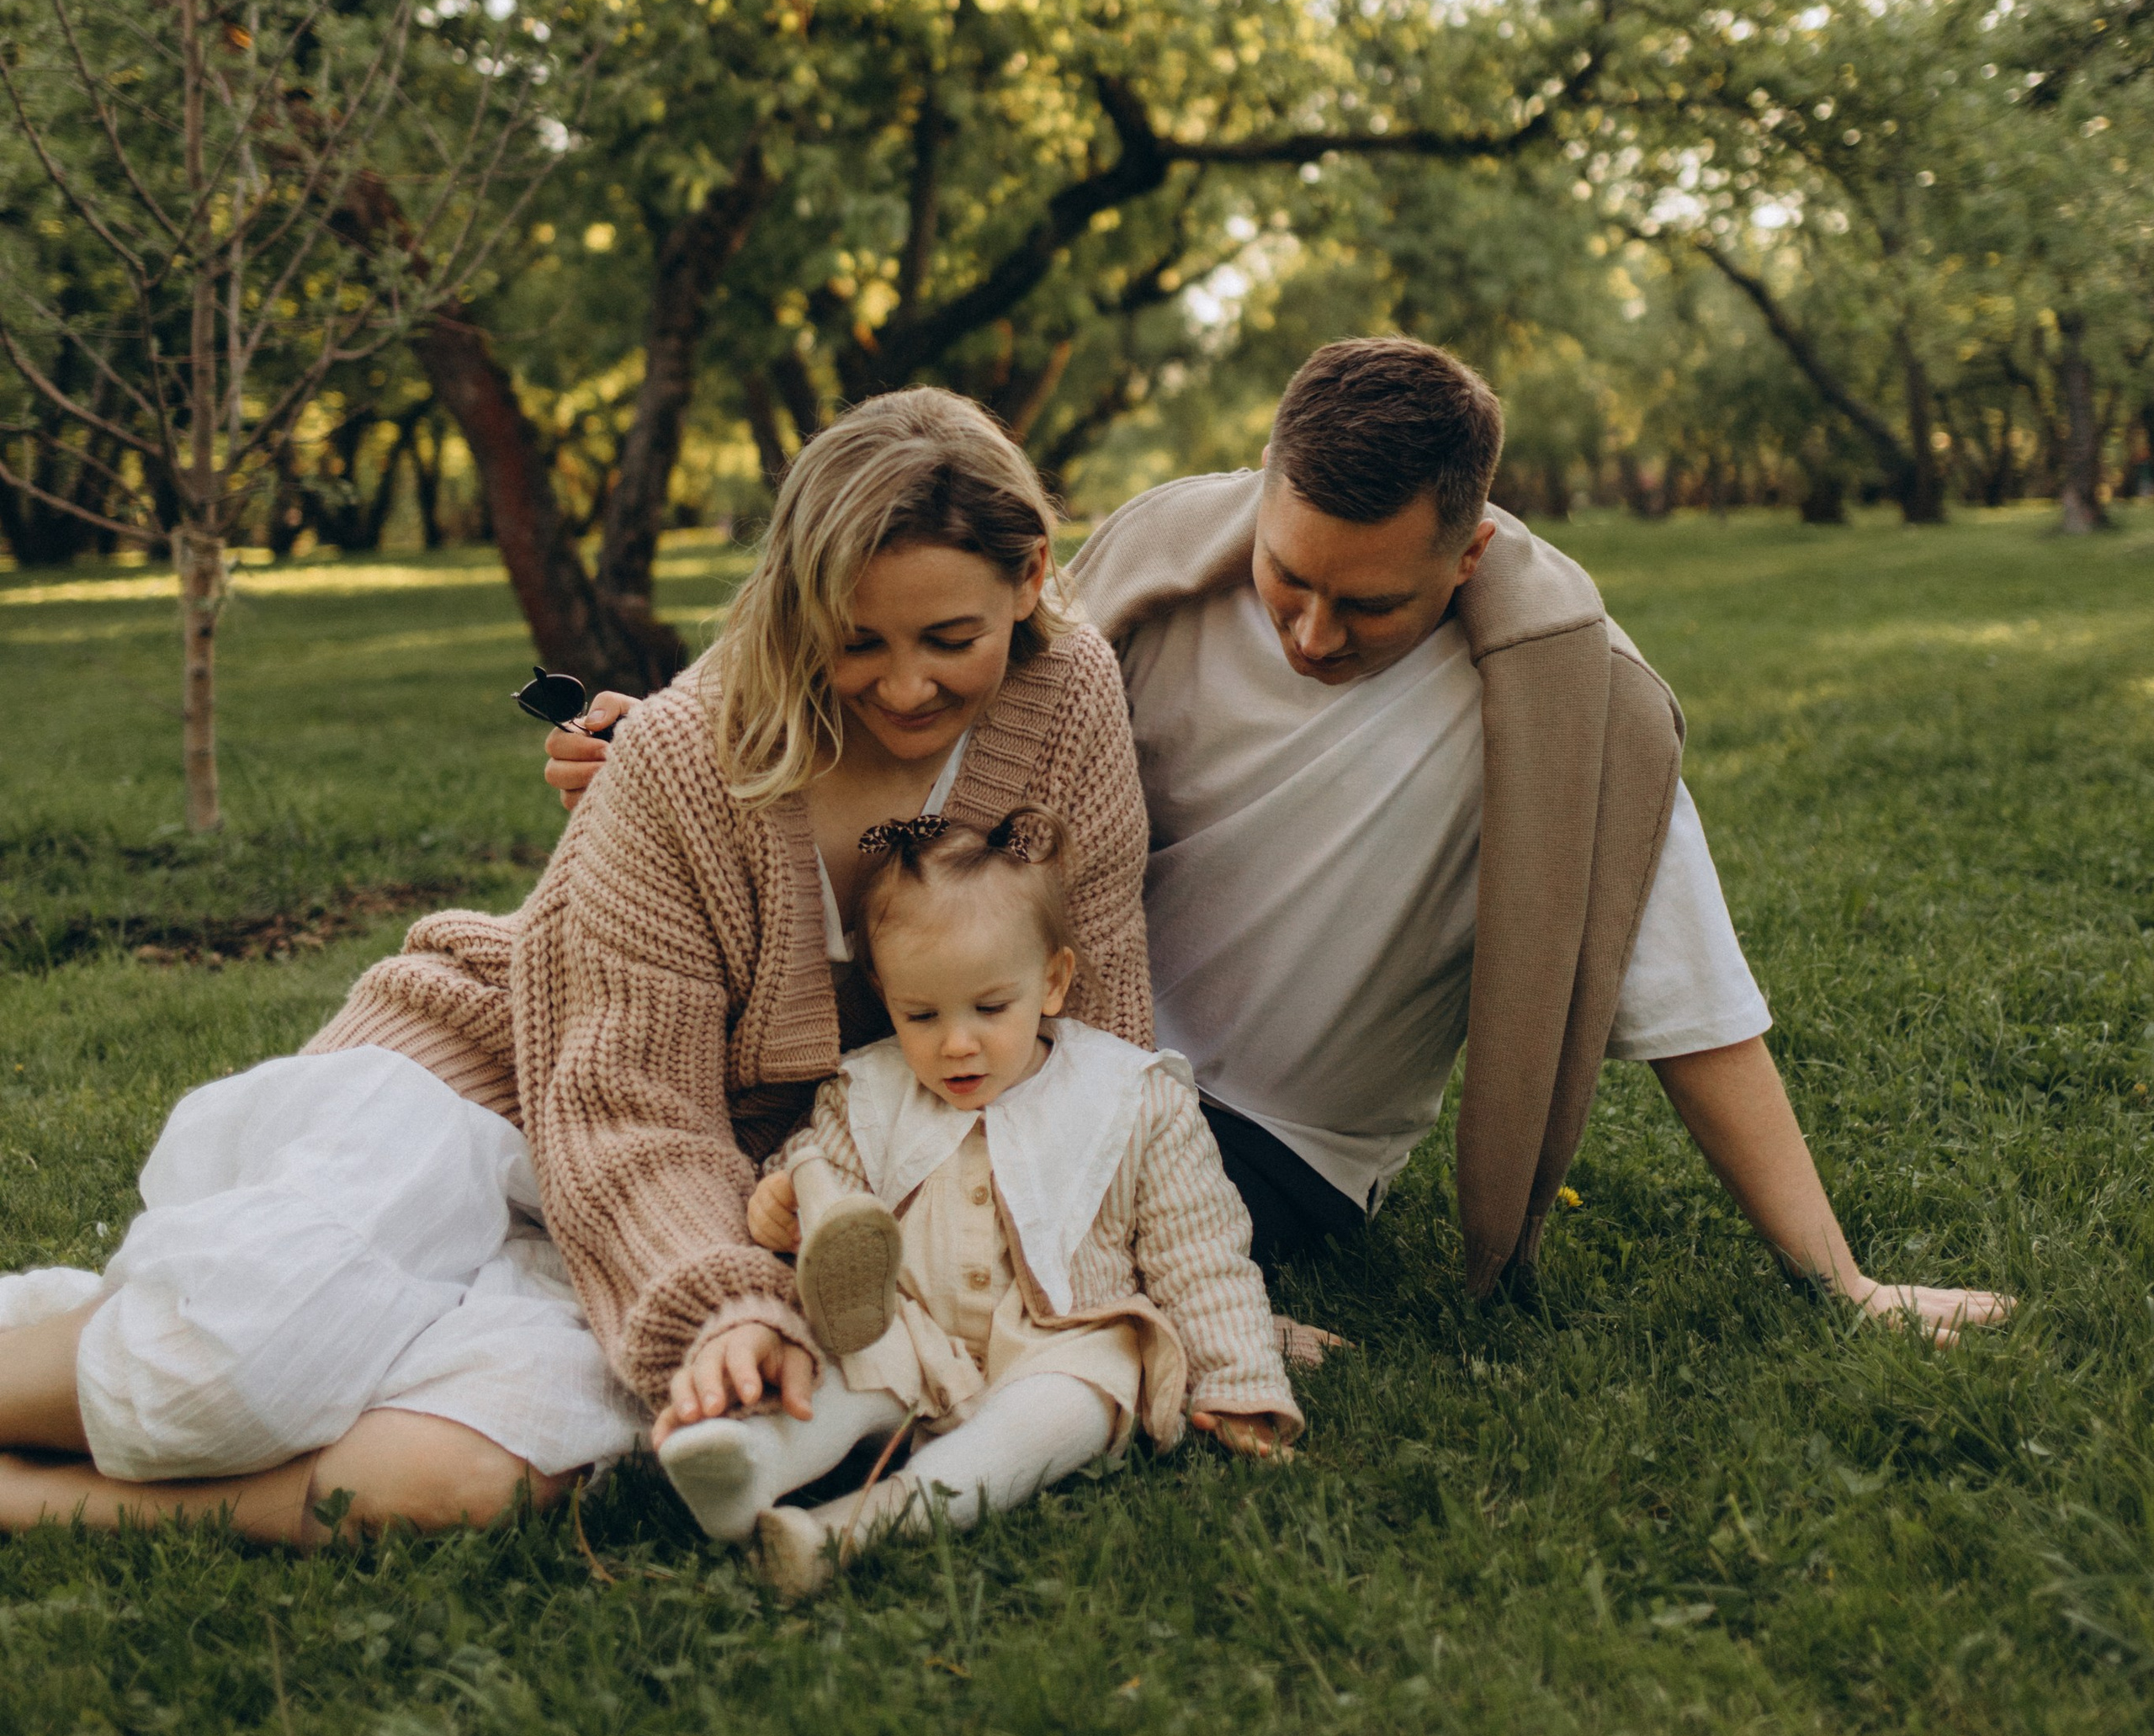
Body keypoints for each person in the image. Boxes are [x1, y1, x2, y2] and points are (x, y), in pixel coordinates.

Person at [553, 341, 2009, 1341]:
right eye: (1287, 577)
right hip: (1023, 1041)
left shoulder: (1575, 714)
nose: (1311, 632)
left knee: (906, 1234)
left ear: (1472, 548)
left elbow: (1697, 1012)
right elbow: (921, 741)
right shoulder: (1153, 587)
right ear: (1260, 496)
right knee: (684, 1129)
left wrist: (1843, 1279)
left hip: (1268, 1141)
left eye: (1369, 605)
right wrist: (686, 747)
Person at [0, 391, 1152, 1542]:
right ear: (800, 610)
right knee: (233, 1371)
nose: (906, 687)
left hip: (711, 1186)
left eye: (950, 640)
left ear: (1031, 573)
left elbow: (1090, 1019)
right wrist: (722, 1307)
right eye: (857, 643)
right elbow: (628, 1105)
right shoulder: (681, 755)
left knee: (463, 1481)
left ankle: (36, 1498)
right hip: (486, 1085)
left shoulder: (1070, 698)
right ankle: (135, 1325)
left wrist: (1141, 1284)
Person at [661, 804, 1297, 1595]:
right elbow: (818, 1175)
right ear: (884, 995)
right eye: (921, 1015)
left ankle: (863, 1523)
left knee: (1078, 1403)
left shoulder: (1130, 1098)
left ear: (1053, 981)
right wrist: (782, 1202)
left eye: (990, 1009)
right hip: (912, 1327)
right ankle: (750, 1467)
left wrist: (1241, 1380)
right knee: (841, 1360)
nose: (956, 1043)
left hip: (1058, 1334)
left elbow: (1198, 1256)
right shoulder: (869, 1087)